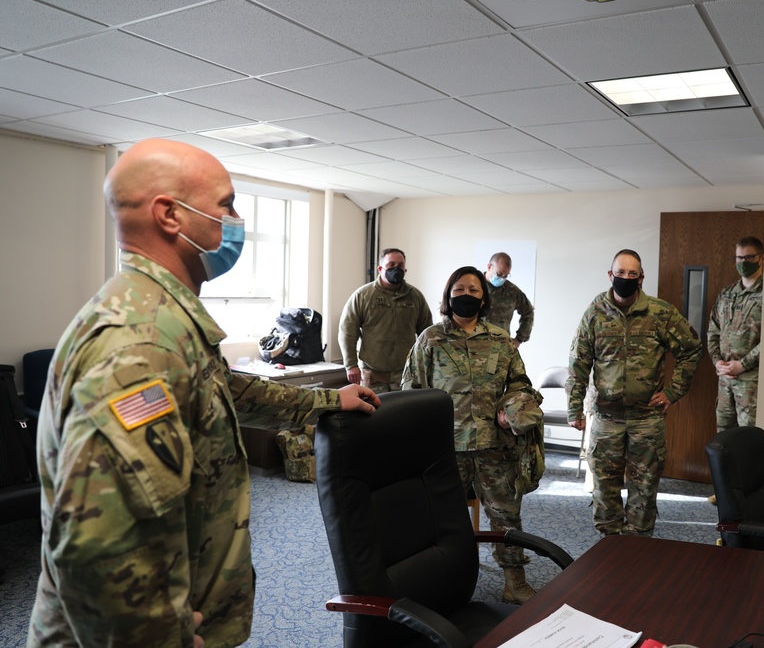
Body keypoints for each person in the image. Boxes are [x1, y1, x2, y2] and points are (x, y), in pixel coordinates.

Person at [27, 138, 380, 648]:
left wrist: (328, 401)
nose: (235, 220)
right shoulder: (141, 342)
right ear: (170, 215)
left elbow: (226, 392)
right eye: (227, 205)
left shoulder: (167, 322)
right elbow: (97, 538)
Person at [402, 266, 544, 604]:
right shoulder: (430, 339)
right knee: (438, 519)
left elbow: (521, 386)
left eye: (474, 291)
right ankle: (439, 581)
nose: (466, 295)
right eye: (460, 289)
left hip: (493, 447)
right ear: (449, 295)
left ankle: (515, 581)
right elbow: (411, 391)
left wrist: (512, 413)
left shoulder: (500, 341)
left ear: (484, 300)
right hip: (445, 448)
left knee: (506, 516)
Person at [566, 249, 702, 537]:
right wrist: (574, 409)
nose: (625, 278)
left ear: (641, 278)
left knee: (644, 487)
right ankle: (609, 546)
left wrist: (673, 391)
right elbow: (578, 363)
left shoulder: (660, 313)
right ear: (610, 275)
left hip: (646, 419)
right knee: (605, 487)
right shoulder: (595, 313)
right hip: (606, 417)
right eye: (620, 273)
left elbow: (691, 349)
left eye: (632, 274)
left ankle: (638, 549)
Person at [338, 248, 434, 393]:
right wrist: (350, 365)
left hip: (406, 372)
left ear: (405, 269)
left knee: (403, 414)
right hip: (372, 373)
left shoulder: (415, 297)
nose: (396, 269)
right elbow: (347, 331)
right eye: (391, 265)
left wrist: (428, 363)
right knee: (373, 412)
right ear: (380, 268)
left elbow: (427, 332)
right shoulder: (363, 295)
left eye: (400, 265)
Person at [707, 236, 764, 431]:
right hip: (724, 381)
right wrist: (717, 361)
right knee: (723, 439)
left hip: (751, 383)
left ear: (761, 258)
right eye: (739, 258)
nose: (743, 262)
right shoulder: (726, 293)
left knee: (748, 439)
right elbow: (713, 331)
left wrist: (742, 365)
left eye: (748, 258)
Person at [481, 252, 534, 348]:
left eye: (505, 275)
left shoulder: (512, 291)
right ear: (489, 267)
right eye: (499, 274)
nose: (501, 278)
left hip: (500, 349)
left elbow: (528, 312)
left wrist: (519, 339)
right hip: (474, 348)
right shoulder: (473, 286)